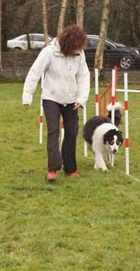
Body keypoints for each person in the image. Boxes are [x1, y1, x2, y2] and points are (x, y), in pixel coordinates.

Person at [22, 25, 90, 181]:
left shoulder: (80, 54)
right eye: (76, 46)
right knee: (53, 131)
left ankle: (70, 169)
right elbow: (35, 73)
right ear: (68, 43)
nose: (78, 49)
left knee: (72, 132)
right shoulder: (49, 52)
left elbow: (83, 77)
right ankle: (52, 169)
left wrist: (82, 98)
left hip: (72, 99)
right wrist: (27, 96)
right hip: (51, 97)